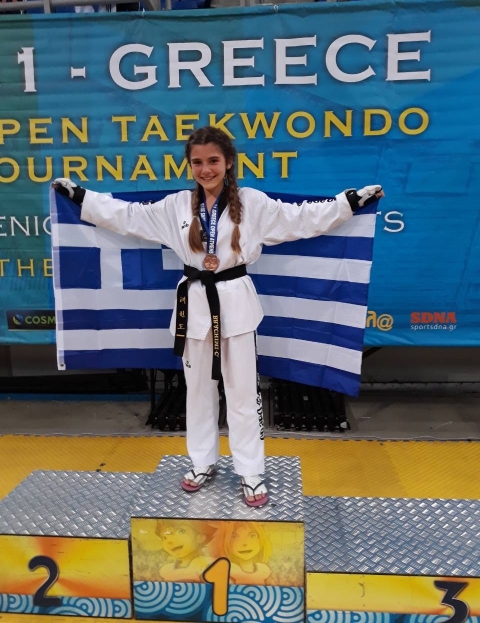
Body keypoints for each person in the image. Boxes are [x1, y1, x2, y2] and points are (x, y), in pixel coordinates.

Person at [52, 125, 384, 508]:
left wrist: (348, 203)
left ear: (228, 162)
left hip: (236, 305)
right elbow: (127, 216)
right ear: (190, 165)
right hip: (195, 305)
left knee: (243, 393)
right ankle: (202, 462)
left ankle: (251, 470)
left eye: (213, 160)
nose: (205, 169)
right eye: (197, 162)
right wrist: (81, 197)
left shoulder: (253, 203)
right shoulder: (176, 206)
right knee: (197, 392)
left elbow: (303, 218)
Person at [223, 521, 272, 585]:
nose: (244, 543)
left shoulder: (263, 570)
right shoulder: (230, 570)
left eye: (253, 536)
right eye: (234, 537)